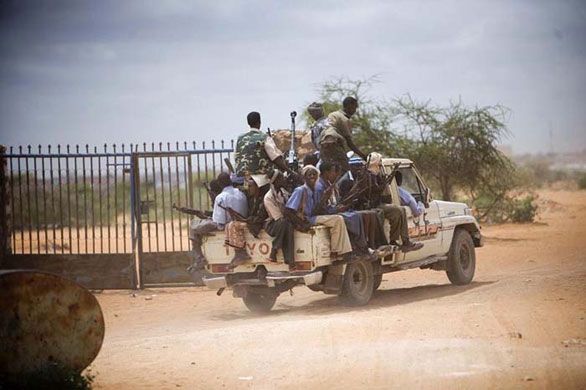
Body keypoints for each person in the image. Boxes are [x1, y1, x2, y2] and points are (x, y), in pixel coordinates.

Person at [285, 165, 353, 259]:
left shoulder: (316, 191)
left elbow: (318, 210)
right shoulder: (300, 190)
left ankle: (341, 251)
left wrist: (325, 198)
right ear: (304, 177)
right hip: (307, 219)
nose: (312, 176)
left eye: (314, 174)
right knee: (338, 220)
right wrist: (302, 224)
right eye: (309, 175)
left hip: (313, 217)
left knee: (339, 218)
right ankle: (336, 252)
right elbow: (288, 211)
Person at [187, 172, 249, 273]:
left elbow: (219, 222)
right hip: (240, 221)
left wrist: (207, 218)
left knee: (193, 227)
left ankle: (199, 259)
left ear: (220, 184)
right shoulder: (241, 194)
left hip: (224, 224)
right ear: (230, 181)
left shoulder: (221, 197)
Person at [363, 153, 423, 253]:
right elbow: (373, 192)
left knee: (400, 210)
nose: (380, 166)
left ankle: (398, 240)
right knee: (397, 210)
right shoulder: (368, 176)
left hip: (377, 204)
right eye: (379, 164)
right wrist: (384, 184)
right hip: (371, 206)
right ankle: (401, 241)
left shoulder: (375, 175)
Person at [235, 111, 294, 188]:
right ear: (259, 122)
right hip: (261, 175)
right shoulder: (264, 137)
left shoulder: (239, 139)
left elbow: (236, 156)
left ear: (248, 123)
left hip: (242, 175)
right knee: (281, 178)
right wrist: (290, 171)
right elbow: (275, 158)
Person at [318, 97, 367, 173]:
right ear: (349, 106)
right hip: (334, 145)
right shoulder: (344, 119)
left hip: (323, 145)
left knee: (328, 171)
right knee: (345, 171)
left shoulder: (332, 114)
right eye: (354, 107)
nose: (355, 110)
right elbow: (349, 143)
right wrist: (363, 156)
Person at [263, 169, 296, 270]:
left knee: (288, 225)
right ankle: (274, 250)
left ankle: (289, 260)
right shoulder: (268, 197)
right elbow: (277, 217)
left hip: (283, 222)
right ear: (276, 181)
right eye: (281, 177)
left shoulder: (283, 193)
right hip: (272, 224)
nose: (284, 179)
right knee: (284, 223)